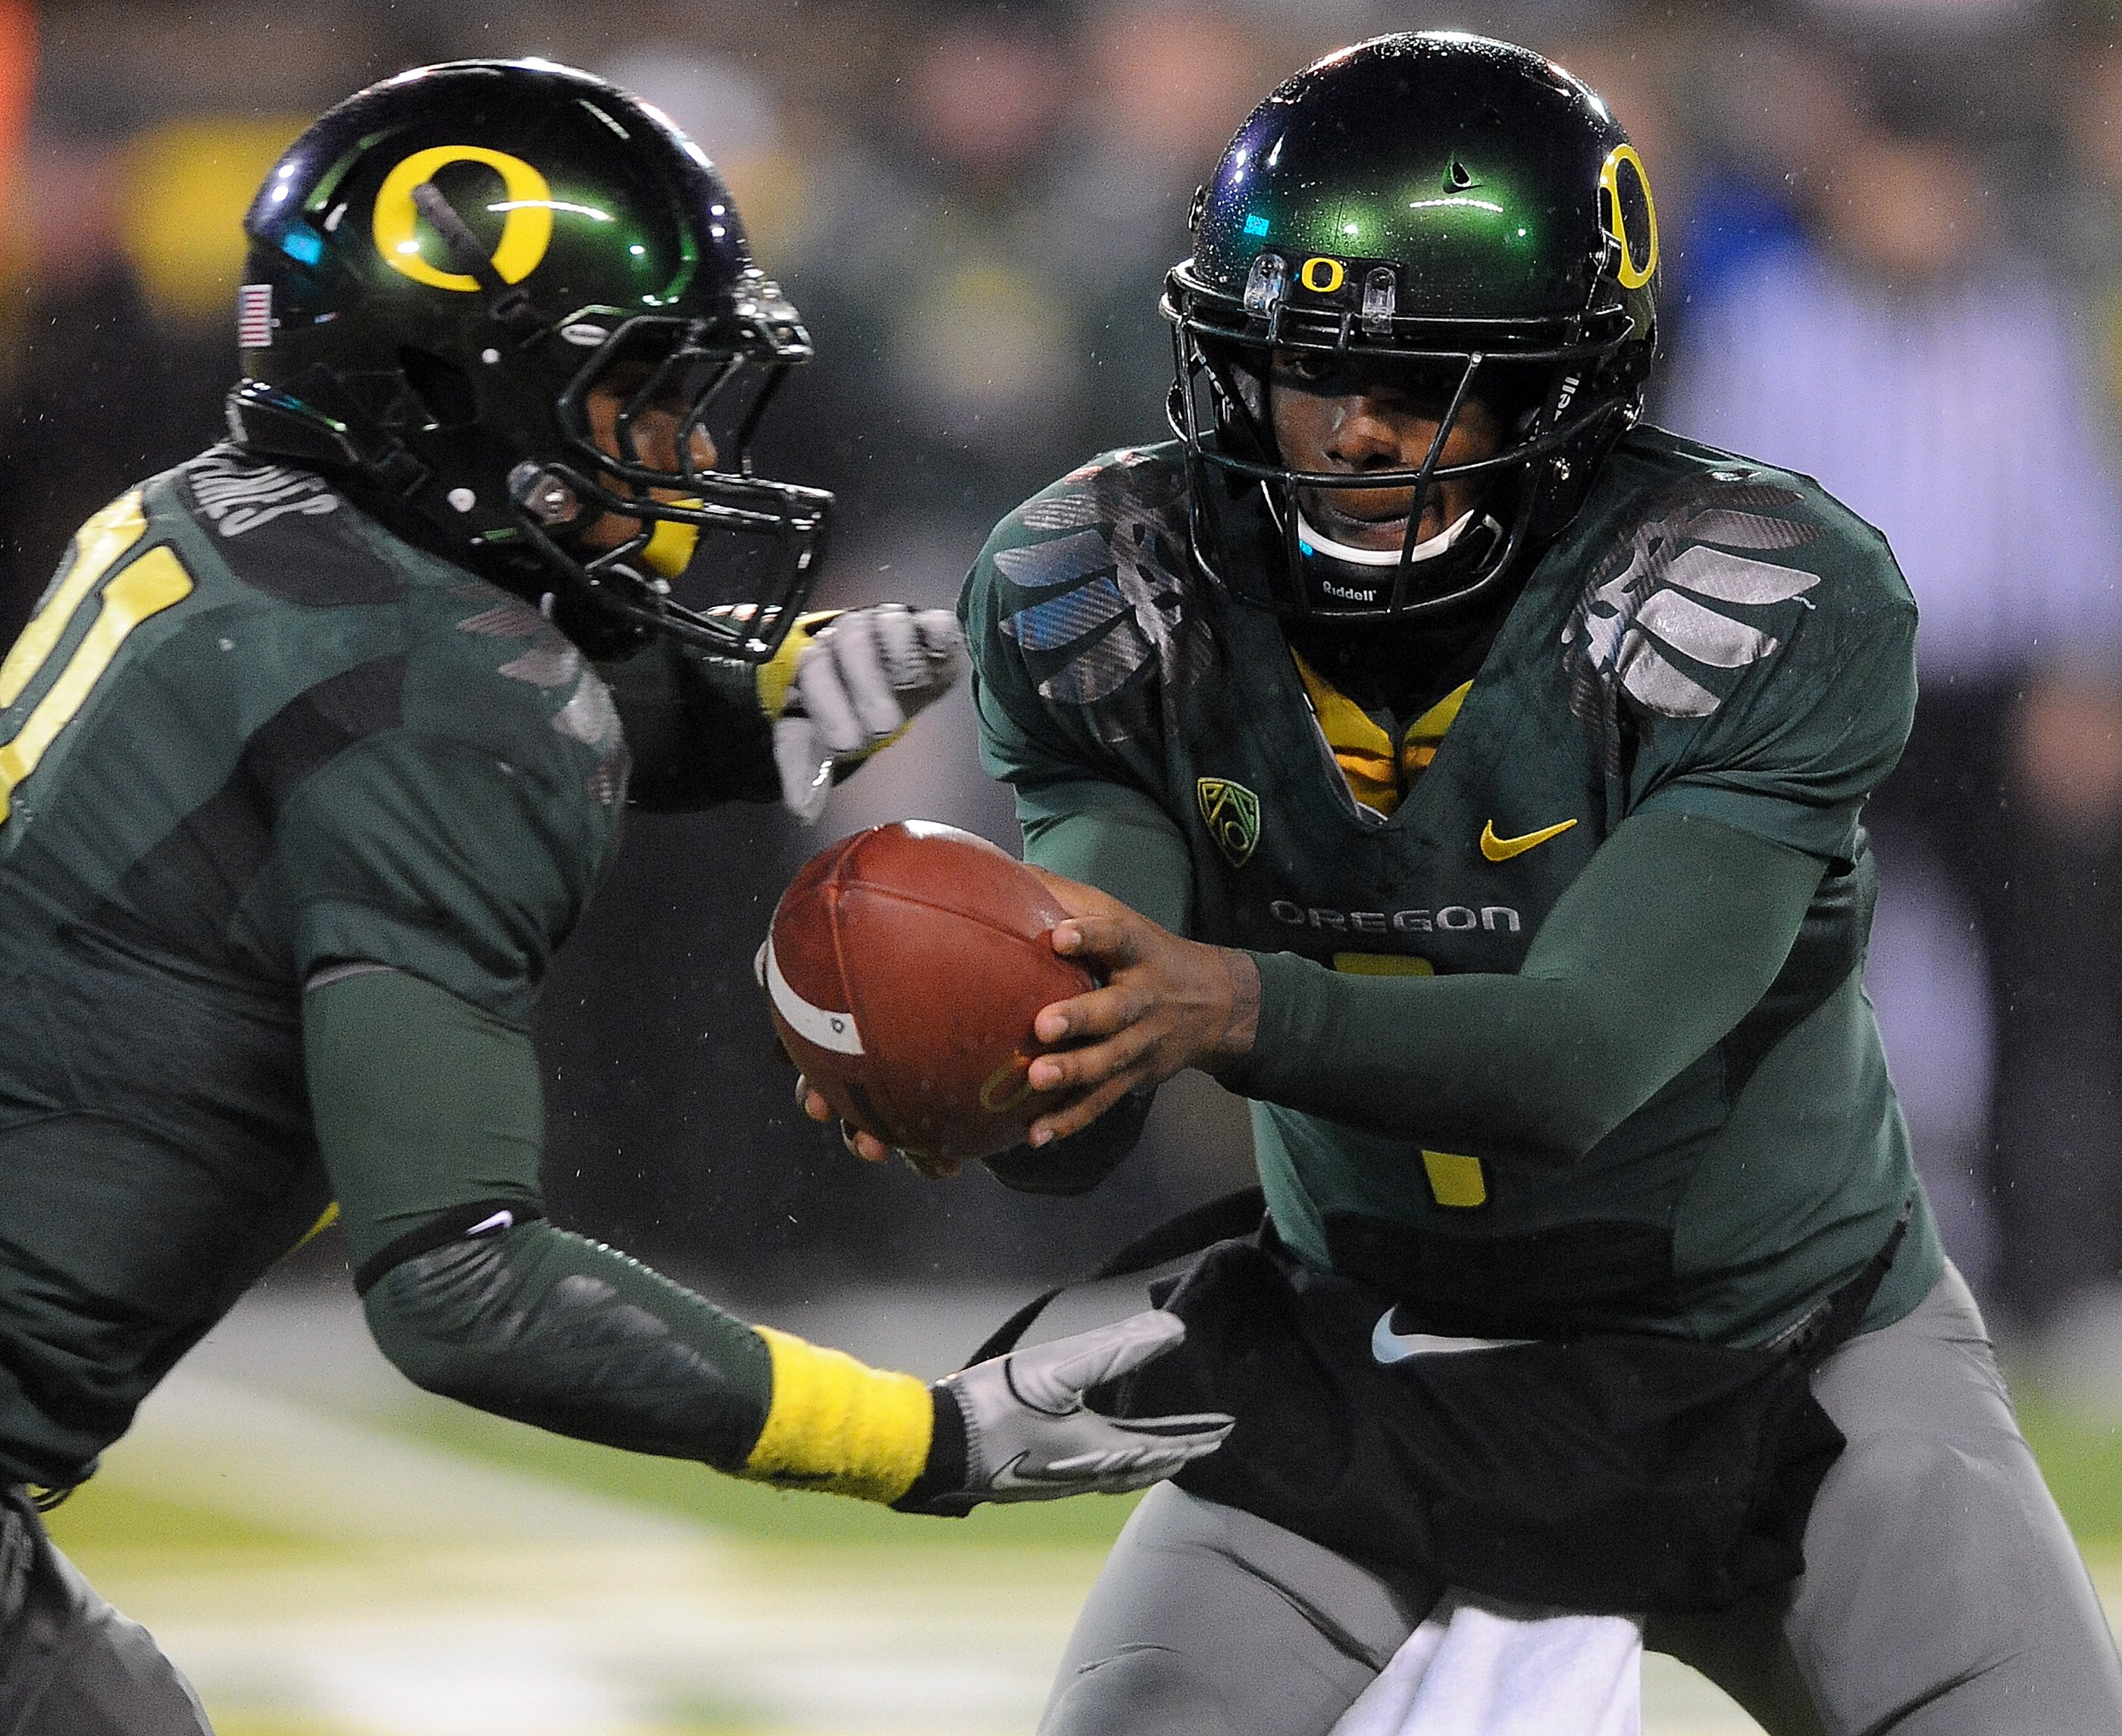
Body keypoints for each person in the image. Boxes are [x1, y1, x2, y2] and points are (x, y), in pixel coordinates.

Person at [0, 59, 1228, 1735]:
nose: (681, 447)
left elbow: (393, 689)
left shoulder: (201, 517)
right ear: (453, 395)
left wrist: (767, 690)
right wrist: (921, 1437)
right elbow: (461, 1280)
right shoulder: (443, 704)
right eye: (636, 394)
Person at [935, 31, 2122, 1735]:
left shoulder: (1756, 592)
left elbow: (1572, 1059)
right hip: (1371, 1369)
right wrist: (996, 1061)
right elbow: (1092, 1027)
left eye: (1427, 382)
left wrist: (1217, 1004)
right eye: (1299, 365)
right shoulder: (1111, 580)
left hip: (1781, 1371)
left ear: (1563, 384)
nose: (1349, 430)